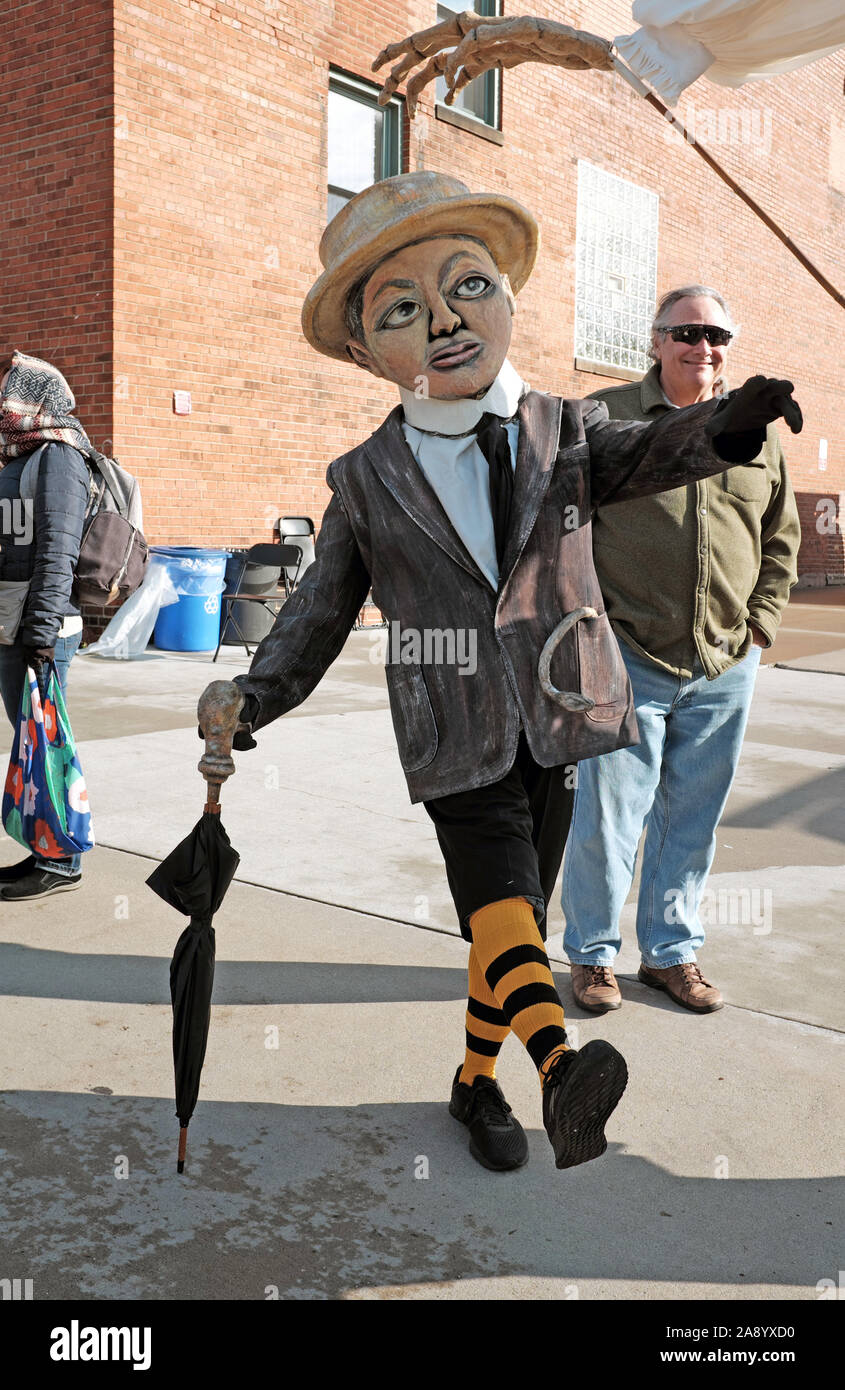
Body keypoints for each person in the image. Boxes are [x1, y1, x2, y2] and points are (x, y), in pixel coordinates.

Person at [198, 174, 801, 1173]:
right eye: (401, 308)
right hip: (452, 724)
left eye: (466, 284)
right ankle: (559, 1072)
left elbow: (648, 449)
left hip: (560, 715)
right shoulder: (362, 477)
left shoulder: (562, 431)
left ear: (507, 301)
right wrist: (253, 696)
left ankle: (474, 1083)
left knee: (506, 924)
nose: (442, 319)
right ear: (362, 350)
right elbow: (318, 606)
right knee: (503, 906)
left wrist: (728, 423)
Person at [561, 287, 801, 1013]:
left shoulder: (760, 433)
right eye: (688, 332)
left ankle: (669, 955)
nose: (705, 347)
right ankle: (593, 957)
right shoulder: (605, 418)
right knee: (608, 816)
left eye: (717, 335)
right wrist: (585, 625)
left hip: (724, 660)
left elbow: (779, 540)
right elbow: (562, 526)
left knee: (690, 819)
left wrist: (758, 624)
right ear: (656, 341)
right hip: (626, 652)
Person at [0, 350, 92, 899]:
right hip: (15, 625)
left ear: (37, 398)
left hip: (39, 629)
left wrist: (39, 631)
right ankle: (45, 849)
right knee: (30, 741)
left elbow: (58, 551)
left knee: (44, 740)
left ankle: (59, 862)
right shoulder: (19, 456)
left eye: (12, 389)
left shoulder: (60, 456)